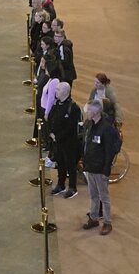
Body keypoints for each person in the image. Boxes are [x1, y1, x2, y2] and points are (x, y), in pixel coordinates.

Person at [81, 99, 119, 236]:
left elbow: (109, 152)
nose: (87, 113)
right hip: (90, 166)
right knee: (93, 195)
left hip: (100, 169)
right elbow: (86, 145)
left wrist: (106, 170)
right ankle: (94, 217)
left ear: (96, 112)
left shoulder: (106, 129)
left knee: (104, 197)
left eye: (89, 110)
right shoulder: (89, 124)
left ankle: (107, 222)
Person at [48, 82, 81, 198]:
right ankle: (61, 184)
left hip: (69, 143)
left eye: (58, 89)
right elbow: (51, 118)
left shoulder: (73, 108)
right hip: (57, 142)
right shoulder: (56, 104)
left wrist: (57, 136)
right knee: (60, 163)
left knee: (71, 165)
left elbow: (71, 128)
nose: (55, 91)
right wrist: (51, 132)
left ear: (65, 92)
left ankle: (72, 187)